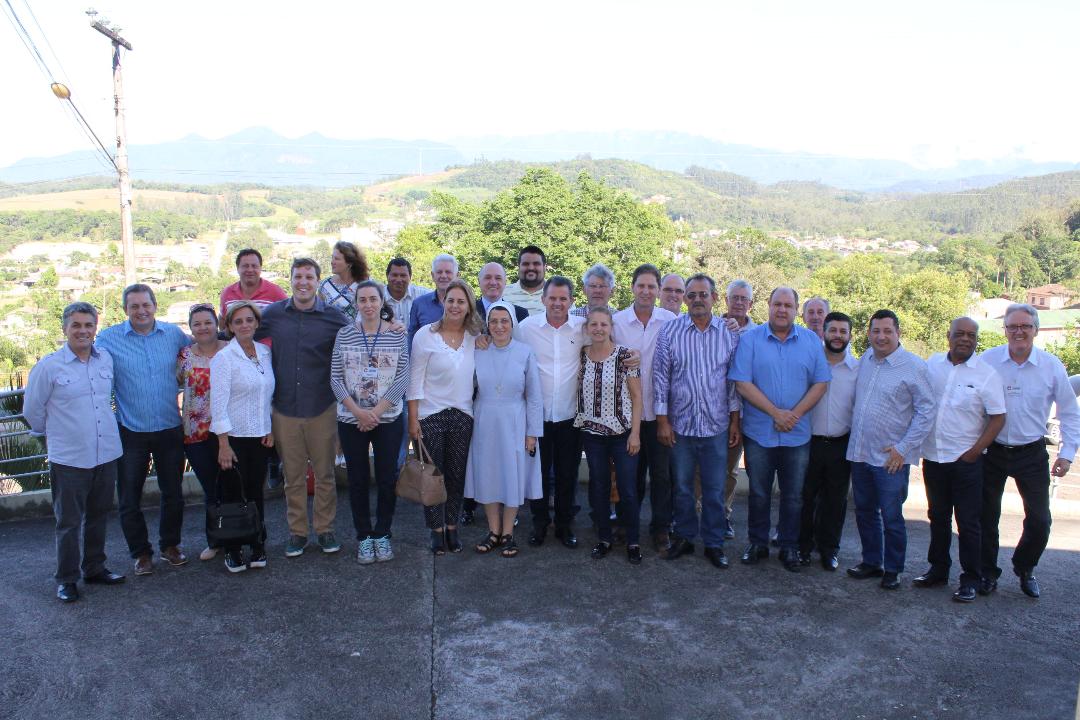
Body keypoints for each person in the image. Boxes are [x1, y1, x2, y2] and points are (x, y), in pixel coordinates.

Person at [24, 302, 125, 603]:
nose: (83, 331)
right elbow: (32, 412)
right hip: (69, 458)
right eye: (76, 325)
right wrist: (61, 435)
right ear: (65, 328)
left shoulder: (105, 359)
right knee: (68, 522)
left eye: (88, 325)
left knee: (98, 516)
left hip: (106, 452)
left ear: (96, 328)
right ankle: (66, 579)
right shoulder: (49, 367)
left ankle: (94, 568)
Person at [980, 303, 1080, 599]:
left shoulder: (1051, 366)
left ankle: (1025, 567)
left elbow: (1070, 413)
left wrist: (1067, 453)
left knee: (1040, 519)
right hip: (993, 450)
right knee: (986, 516)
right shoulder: (988, 361)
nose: (1019, 332)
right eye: (1013, 326)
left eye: (1025, 326)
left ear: (1035, 330)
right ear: (1006, 330)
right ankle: (987, 573)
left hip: (1031, 452)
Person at [731, 287, 830, 572]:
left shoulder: (811, 341)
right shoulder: (750, 340)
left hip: (796, 435)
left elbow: (821, 383)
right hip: (759, 432)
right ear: (768, 306)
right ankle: (758, 542)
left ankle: (789, 546)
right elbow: (741, 383)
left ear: (796, 309)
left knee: (793, 495)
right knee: (759, 492)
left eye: (788, 305)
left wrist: (793, 416)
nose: (782, 309)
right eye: (777, 304)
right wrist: (776, 413)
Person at [257, 258, 349, 558]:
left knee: (324, 476)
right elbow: (245, 336)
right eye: (298, 276)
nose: (303, 282)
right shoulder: (273, 314)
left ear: (317, 281)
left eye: (309, 277)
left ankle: (325, 530)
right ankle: (297, 533)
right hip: (284, 409)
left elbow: (357, 338)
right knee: (292, 477)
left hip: (322, 407)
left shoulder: (334, 317)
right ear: (291, 280)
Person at [96, 284, 190, 576]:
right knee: (128, 497)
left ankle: (170, 546)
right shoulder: (108, 338)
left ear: (155, 305)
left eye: (145, 305)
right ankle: (141, 553)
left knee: (173, 493)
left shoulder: (174, 334)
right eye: (134, 306)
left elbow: (202, 345)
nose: (141, 311)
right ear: (125, 310)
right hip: (131, 430)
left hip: (169, 428)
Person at [654, 273, 741, 569]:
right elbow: (661, 378)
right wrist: (663, 421)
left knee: (715, 489)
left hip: (716, 426)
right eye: (691, 296)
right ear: (684, 300)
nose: (697, 300)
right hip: (681, 427)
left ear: (714, 298)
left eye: (703, 295)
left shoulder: (729, 333)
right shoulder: (670, 332)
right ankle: (685, 537)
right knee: (682, 487)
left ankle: (714, 543)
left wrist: (734, 421)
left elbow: (732, 383)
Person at [918, 317, 1006, 602]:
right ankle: (938, 570)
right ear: (949, 336)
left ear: (976, 339)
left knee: (968, 523)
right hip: (933, 458)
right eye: (960, 334)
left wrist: (974, 451)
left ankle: (971, 578)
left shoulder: (986, 374)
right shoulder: (932, 364)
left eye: (971, 335)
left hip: (966, 461)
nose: (965, 339)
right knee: (937, 517)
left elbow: (998, 417)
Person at [846, 309, 935, 590]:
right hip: (860, 453)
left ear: (898, 333)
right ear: (869, 333)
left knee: (892, 516)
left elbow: (926, 411)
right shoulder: (866, 361)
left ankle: (893, 568)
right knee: (864, 512)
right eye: (875, 331)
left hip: (890, 459)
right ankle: (872, 561)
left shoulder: (913, 366)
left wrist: (904, 448)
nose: (881, 336)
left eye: (887, 331)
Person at [331, 280, 409, 564]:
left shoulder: (397, 334)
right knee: (358, 478)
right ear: (356, 303)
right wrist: (358, 413)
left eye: (372, 299)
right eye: (362, 300)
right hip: (351, 420)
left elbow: (402, 378)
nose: (368, 305)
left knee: (387, 478)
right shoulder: (345, 334)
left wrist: (375, 412)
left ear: (381, 301)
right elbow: (336, 379)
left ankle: (383, 534)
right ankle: (364, 536)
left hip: (387, 418)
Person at [407, 279, 481, 555]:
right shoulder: (425, 335)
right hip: (430, 415)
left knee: (456, 476)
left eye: (461, 301)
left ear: (468, 306)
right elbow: (414, 381)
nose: (455, 305)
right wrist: (413, 420)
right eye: (451, 300)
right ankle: (436, 531)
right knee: (432, 478)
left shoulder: (476, 338)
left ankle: (452, 526)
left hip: (462, 415)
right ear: (443, 302)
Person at [464, 302, 544, 558]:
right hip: (484, 418)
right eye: (494, 321)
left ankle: (508, 532)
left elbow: (534, 396)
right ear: (487, 324)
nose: (499, 326)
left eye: (504, 321)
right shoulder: (477, 350)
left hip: (515, 420)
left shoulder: (525, 352)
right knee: (487, 474)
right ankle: (493, 531)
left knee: (512, 476)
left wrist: (532, 432)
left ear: (512, 324)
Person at [515, 276, 587, 549]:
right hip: (538, 415)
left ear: (571, 301)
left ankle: (566, 525)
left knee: (568, 474)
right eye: (552, 298)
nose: (557, 303)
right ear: (543, 299)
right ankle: (540, 523)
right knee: (538, 474)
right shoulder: (526, 328)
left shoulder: (582, 327)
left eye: (563, 299)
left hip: (571, 415)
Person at [613, 263, 677, 550]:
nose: (647, 291)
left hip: (661, 412)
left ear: (659, 291)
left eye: (652, 286)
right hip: (628, 414)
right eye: (641, 285)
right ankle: (629, 526)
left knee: (662, 475)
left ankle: (661, 528)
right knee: (630, 475)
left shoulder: (671, 321)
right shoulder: (616, 322)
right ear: (632, 287)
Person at [209, 301, 276, 573]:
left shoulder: (265, 352)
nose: (245, 325)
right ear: (229, 327)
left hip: (259, 437)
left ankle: (257, 542)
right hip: (233, 438)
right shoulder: (224, 359)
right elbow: (218, 403)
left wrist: (269, 428)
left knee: (255, 493)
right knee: (233, 496)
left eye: (249, 320)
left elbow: (266, 395)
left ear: (257, 323)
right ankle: (232, 549)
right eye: (238, 322)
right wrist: (223, 445)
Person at [576, 306, 643, 563]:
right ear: (587, 328)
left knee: (627, 489)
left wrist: (635, 434)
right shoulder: (581, 355)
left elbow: (637, 398)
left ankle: (633, 541)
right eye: (594, 324)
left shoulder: (626, 356)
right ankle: (604, 538)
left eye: (604, 324)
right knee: (599, 487)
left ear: (611, 327)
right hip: (592, 435)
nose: (599, 329)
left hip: (622, 433)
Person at [798, 311, 858, 571]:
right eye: (833, 330)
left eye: (843, 332)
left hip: (840, 444)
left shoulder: (858, 369)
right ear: (823, 332)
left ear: (850, 336)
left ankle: (829, 550)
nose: (837, 336)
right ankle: (802, 547)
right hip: (807, 442)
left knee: (835, 501)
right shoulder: (809, 362)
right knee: (805, 498)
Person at [176, 304, 228, 562]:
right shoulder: (185, 355)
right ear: (191, 328)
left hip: (228, 431)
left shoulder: (231, 350)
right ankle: (215, 540)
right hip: (195, 433)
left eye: (207, 322)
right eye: (197, 323)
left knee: (230, 486)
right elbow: (174, 383)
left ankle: (238, 535)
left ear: (216, 324)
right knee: (210, 489)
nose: (203, 327)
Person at [721, 279, 757, 539]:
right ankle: (696, 511)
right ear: (726, 300)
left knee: (730, 469)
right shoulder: (713, 326)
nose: (739, 303)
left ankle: (724, 514)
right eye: (735, 298)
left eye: (744, 299)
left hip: (742, 413)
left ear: (751, 304)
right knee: (699, 468)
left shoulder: (758, 335)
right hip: (709, 410)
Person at [408, 254, 461, 347]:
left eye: (448, 272)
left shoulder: (467, 304)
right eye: (439, 272)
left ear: (457, 275)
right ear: (432, 275)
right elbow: (412, 341)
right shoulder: (419, 304)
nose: (443, 276)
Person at [219, 248, 287, 317]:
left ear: (260, 268)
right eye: (245, 266)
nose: (250, 270)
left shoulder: (275, 292)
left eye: (254, 266)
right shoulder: (227, 293)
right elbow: (223, 322)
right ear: (238, 268)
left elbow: (288, 317)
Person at [318, 241, 369, 320]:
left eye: (337, 259)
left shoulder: (365, 284)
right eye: (332, 257)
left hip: (361, 331)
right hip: (333, 331)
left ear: (349, 263)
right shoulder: (325, 285)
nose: (332, 262)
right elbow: (319, 314)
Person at [383, 257, 430, 336]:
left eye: (403, 275)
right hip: (387, 345)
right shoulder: (376, 297)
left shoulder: (423, 295)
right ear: (387, 276)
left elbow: (442, 297)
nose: (398, 279)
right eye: (395, 275)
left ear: (410, 277)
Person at [502, 245, 547, 316]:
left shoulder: (558, 294)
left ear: (544, 267)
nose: (531, 268)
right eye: (526, 264)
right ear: (519, 267)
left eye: (536, 264)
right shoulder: (502, 294)